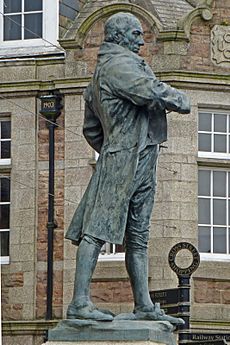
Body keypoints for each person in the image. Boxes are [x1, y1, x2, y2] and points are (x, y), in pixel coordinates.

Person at [65, 12, 190, 324]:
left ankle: (144, 304)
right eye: (135, 33)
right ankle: (80, 302)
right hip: (123, 157)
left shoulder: (112, 67)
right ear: (118, 36)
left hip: (141, 154)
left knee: (138, 233)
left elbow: (91, 130)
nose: (141, 39)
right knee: (96, 229)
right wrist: (178, 98)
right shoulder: (118, 65)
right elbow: (147, 90)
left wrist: (114, 145)